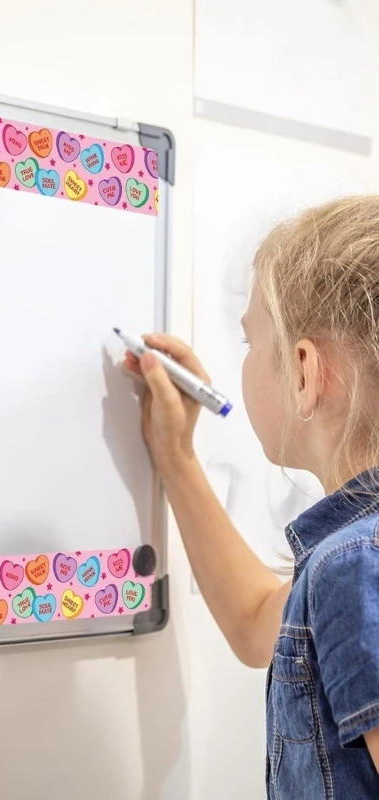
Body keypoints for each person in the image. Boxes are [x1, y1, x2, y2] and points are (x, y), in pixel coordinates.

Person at [124, 196, 379, 799]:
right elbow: (258, 622)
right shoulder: (347, 564)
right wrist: (177, 458)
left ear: (302, 372)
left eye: (249, 341)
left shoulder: (355, 563)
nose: (240, 363)